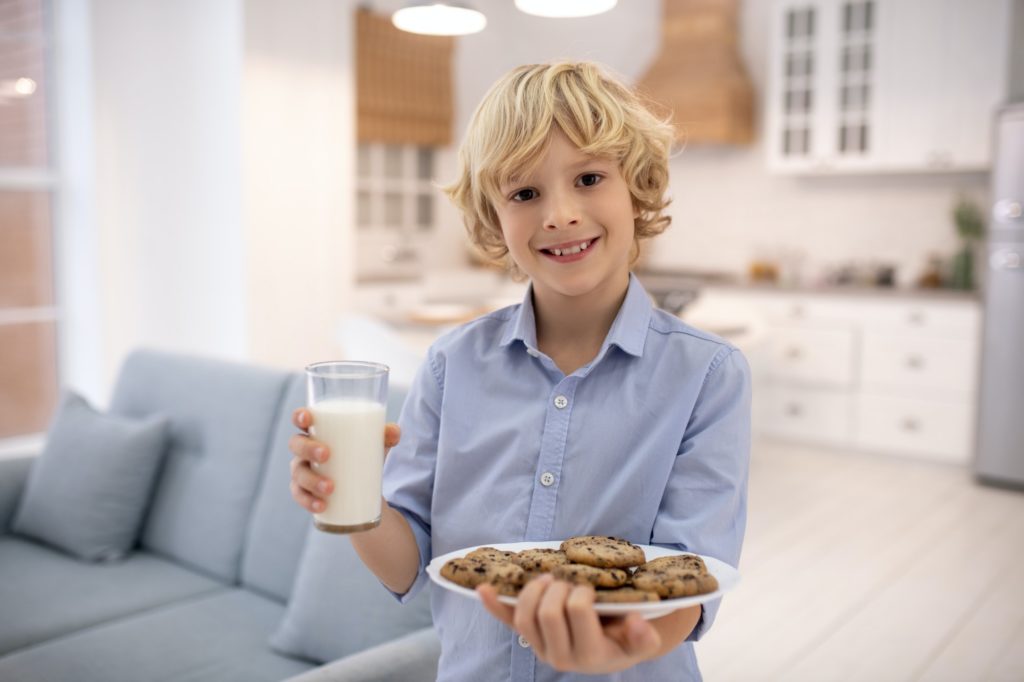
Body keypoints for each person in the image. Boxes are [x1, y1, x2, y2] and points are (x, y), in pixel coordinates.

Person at [289, 60, 751, 681]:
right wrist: (353, 495)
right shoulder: (451, 365)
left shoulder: (708, 375)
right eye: (524, 193)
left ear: (637, 187)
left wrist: (623, 644)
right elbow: (406, 565)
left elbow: (692, 575)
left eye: (588, 178)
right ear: (494, 219)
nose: (559, 213)